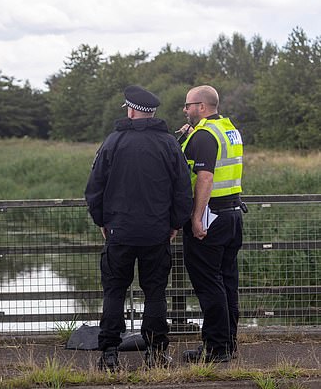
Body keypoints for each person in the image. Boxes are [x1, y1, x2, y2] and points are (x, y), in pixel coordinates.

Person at [85, 85, 193, 371]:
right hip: (157, 232)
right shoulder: (169, 144)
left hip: (119, 231)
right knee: (155, 292)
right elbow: (183, 190)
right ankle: (156, 353)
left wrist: (102, 221)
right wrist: (174, 224)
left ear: (131, 110)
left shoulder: (113, 142)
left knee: (114, 292)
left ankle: (109, 354)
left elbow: (94, 188)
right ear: (152, 113)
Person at [178, 85, 244, 363]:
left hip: (210, 217)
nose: (185, 109)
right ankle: (227, 344)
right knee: (227, 282)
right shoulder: (229, 130)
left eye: (188, 105)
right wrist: (184, 138)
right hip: (232, 215)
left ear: (201, 107)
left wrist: (195, 217)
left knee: (209, 284)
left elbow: (204, 178)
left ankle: (216, 350)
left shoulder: (205, 135)